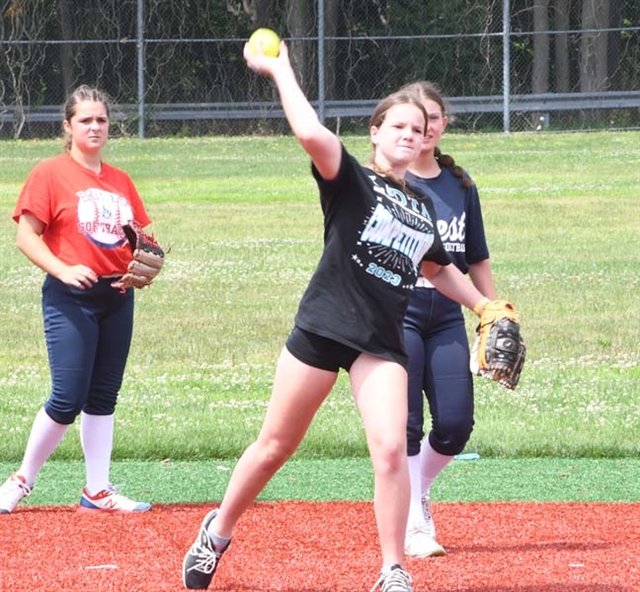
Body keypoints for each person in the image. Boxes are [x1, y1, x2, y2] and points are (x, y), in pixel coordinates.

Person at [182, 42, 498, 592]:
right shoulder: (350, 177)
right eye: (397, 124)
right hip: (326, 326)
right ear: (374, 131)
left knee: (393, 447)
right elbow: (310, 134)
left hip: (381, 342)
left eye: (418, 128)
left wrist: (485, 305)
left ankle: (392, 569)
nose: (409, 134)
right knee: (275, 446)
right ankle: (218, 530)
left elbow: (438, 270)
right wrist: (281, 69)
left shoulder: (422, 206)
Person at [0, 85, 155, 514]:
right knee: (68, 397)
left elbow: (142, 237)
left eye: (101, 120)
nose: (95, 127)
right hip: (71, 295)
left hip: (117, 296)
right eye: (85, 120)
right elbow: (25, 235)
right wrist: (63, 269)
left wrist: (147, 261)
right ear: (67, 127)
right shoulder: (50, 173)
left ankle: (97, 489)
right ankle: (20, 480)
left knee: (103, 396)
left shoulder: (120, 180)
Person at [399, 81, 497, 558]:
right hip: (399, 312)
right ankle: (414, 524)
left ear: (443, 123)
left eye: (434, 118)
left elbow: (475, 257)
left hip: (446, 317)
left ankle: (416, 488)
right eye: (418, 120)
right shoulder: (393, 182)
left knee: (456, 424)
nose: (426, 127)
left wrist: (491, 314)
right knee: (407, 426)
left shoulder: (460, 184)